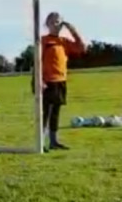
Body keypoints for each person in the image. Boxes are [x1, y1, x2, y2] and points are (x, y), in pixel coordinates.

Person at [34, 12, 87, 151]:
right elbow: (37, 62)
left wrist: (72, 30)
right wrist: (39, 80)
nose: (56, 25)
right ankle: (41, 143)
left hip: (60, 81)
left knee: (55, 113)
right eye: (53, 22)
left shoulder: (64, 41)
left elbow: (82, 48)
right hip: (47, 82)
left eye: (59, 22)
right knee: (45, 113)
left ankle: (53, 141)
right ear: (47, 24)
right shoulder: (43, 41)